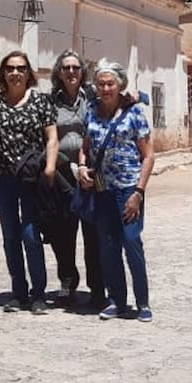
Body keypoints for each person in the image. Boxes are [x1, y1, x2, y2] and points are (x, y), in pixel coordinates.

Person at [0, 50, 59, 314]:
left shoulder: (39, 102)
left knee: (30, 234)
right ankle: (18, 291)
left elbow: (51, 137)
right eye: (11, 68)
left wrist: (49, 168)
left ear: (29, 73)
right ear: (3, 72)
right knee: (10, 235)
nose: (16, 73)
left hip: (31, 179)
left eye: (21, 68)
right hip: (2, 178)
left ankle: (38, 292)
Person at [79, 59, 155, 322]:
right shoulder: (91, 110)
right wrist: (80, 166)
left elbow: (148, 156)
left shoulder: (134, 113)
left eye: (110, 83)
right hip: (102, 189)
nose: (105, 88)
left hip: (128, 190)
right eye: (101, 83)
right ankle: (117, 301)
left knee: (131, 242)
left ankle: (142, 302)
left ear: (120, 85)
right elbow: (85, 145)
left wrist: (139, 192)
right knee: (108, 247)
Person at [47, 50, 104, 309]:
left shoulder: (93, 97)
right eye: (66, 68)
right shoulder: (50, 102)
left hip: (89, 173)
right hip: (61, 175)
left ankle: (97, 287)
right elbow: (47, 138)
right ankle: (68, 282)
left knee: (92, 234)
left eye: (75, 68)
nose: (71, 72)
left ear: (82, 72)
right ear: (59, 72)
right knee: (63, 233)